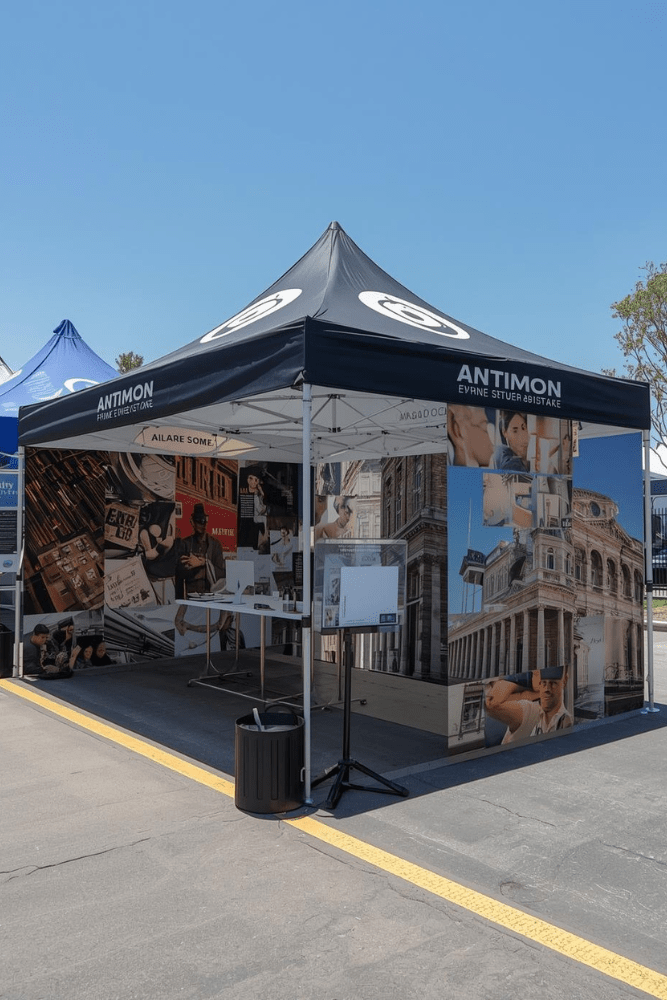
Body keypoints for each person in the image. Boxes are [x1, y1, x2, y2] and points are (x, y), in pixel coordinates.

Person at [174, 502, 231, 639]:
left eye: (205, 521)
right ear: (192, 522)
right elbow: (179, 575)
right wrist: (179, 601)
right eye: (199, 521)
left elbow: (221, 573)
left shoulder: (215, 545)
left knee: (213, 629)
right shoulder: (185, 544)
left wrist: (203, 563)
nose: (203, 524)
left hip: (211, 596)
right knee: (187, 631)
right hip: (192, 597)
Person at [485, 666, 572, 743]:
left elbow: (492, 702)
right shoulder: (530, 709)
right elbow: (492, 701)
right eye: (543, 682)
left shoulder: (533, 710)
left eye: (552, 683)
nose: (546, 688)